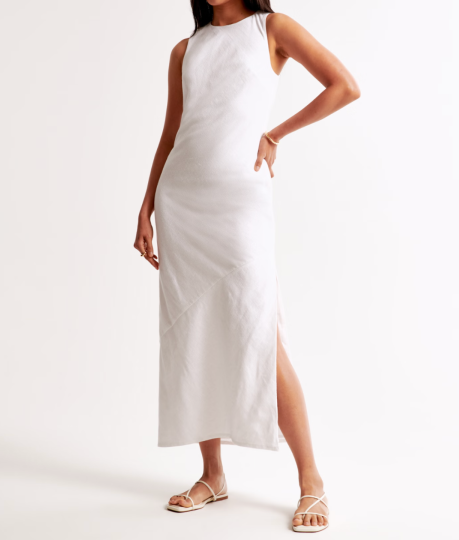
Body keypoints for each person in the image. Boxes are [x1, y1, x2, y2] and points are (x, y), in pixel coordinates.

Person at [133, 0, 359, 533]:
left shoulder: (273, 28)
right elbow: (171, 133)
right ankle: (213, 475)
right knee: (192, 332)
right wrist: (145, 206)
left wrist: (275, 133)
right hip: (181, 203)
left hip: (239, 203)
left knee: (260, 334)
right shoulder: (185, 49)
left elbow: (343, 85)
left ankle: (312, 483)